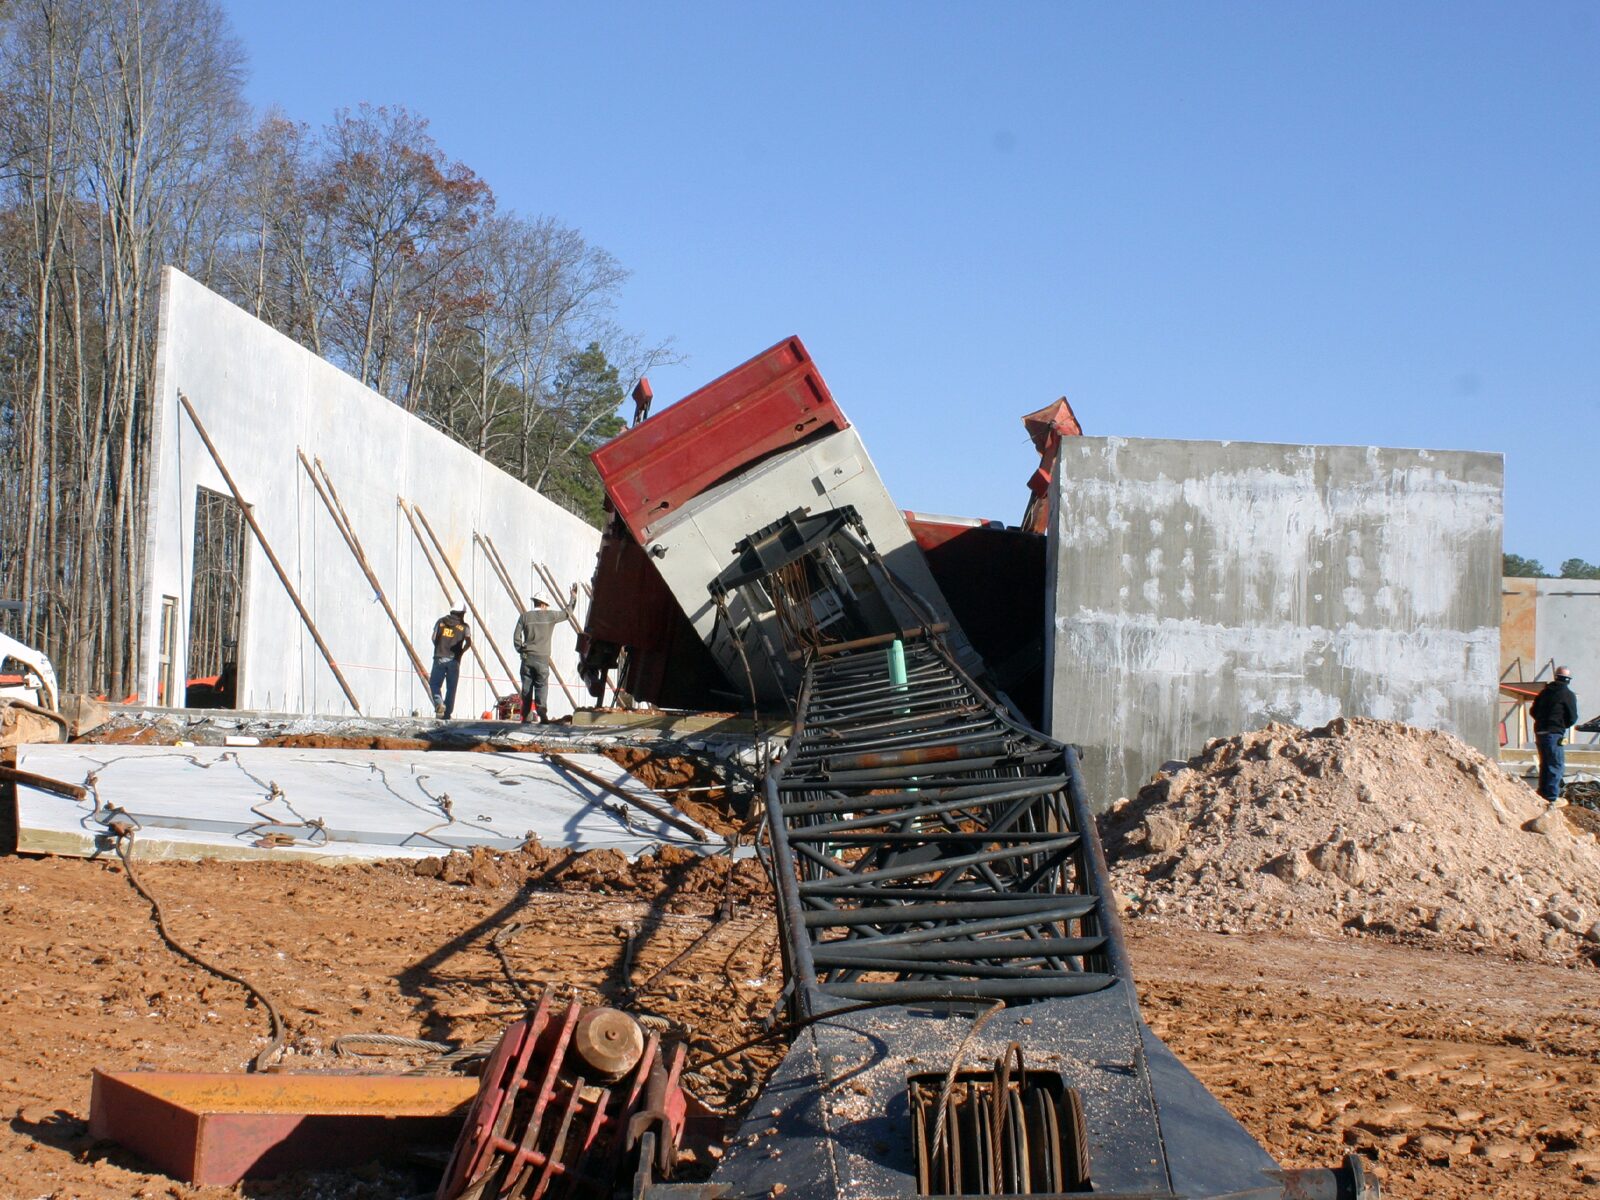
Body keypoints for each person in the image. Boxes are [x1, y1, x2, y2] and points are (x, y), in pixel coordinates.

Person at [1530, 666, 1579, 804]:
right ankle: (1551, 797)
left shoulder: (1544, 692)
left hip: (1540, 732)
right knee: (1556, 765)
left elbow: (1533, 711)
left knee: (1545, 763)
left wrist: (1542, 722)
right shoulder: (1567, 694)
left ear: (1556, 676)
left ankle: (1542, 793)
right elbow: (1572, 717)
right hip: (1554, 733)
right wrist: (1561, 725)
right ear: (1568, 679)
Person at [513, 597, 565, 723]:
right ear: (542, 604)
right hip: (542, 659)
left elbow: (516, 637)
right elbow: (566, 614)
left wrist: (521, 650)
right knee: (541, 686)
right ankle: (542, 713)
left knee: (526, 687)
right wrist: (573, 599)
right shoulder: (550, 616)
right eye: (546, 605)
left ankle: (526, 716)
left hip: (527, 658)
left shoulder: (524, 617)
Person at [429, 606, 472, 719]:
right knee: (451, 687)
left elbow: (433, 638)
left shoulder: (441, 622)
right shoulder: (464, 627)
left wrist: (440, 648)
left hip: (440, 657)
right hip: (454, 660)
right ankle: (447, 714)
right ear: (462, 613)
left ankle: (439, 703)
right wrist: (461, 652)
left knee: (434, 684)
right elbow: (469, 642)